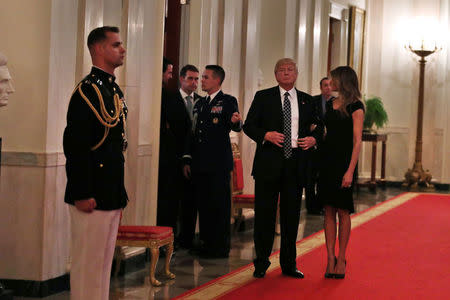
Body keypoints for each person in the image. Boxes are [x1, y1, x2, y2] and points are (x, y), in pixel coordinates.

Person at [63, 26, 128, 300]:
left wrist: (118, 194)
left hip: (110, 191)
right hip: (91, 193)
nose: (122, 49)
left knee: (102, 265)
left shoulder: (111, 90)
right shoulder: (86, 92)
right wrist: (82, 192)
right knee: (87, 265)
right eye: (116, 45)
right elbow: (75, 147)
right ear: (99, 49)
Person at [243, 58, 323, 278]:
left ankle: (289, 264)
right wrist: (265, 135)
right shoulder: (263, 97)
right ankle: (261, 263)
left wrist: (314, 139)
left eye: (290, 70)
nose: (286, 73)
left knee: (291, 217)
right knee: (264, 217)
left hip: (295, 165)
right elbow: (248, 125)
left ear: (296, 74)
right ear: (275, 74)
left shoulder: (307, 100)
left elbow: (320, 126)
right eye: (281, 70)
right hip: (268, 165)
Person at [183, 65, 242, 258]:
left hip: (217, 163)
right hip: (200, 163)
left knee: (219, 205)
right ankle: (206, 242)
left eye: (206, 77)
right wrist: (188, 158)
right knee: (204, 204)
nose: (202, 81)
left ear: (217, 80)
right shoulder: (200, 104)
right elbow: (193, 133)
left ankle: (220, 246)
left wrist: (235, 122)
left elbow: (235, 124)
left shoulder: (227, 101)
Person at [319, 66, 364, 279]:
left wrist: (350, 171)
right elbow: (326, 132)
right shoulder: (329, 103)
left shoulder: (356, 105)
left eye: (333, 78)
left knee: (343, 211)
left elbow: (357, 142)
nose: (330, 81)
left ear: (343, 80)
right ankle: (329, 257)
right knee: (328, 210)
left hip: (345, 163)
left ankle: (342, 257)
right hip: (327, 161)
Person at [157, 57, 183, 249]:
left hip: (165, 157)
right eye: (169, 72)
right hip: (167, 158)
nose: (170, 76)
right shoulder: (168, 97)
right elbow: (181, 126)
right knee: (167, 204)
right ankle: (167, 242)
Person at [176, 65, 201, 249]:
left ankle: (188, 237)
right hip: (173, 158)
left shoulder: (202, 101)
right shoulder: (171, 99)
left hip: (196, 159)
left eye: (197, 79)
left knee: (192, 201)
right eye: (190, 78)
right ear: (181, 79)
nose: (194, 83)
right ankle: (173, 239)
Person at [305, 77, 333, 215]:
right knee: (310, 178)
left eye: (330, 85)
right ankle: (311, 207)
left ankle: (322, 205)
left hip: (329, 148)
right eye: (325, 85)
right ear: (321, 87)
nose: (328, 87)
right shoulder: (313, 101)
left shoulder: (336, 103)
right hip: (314, 146)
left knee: (324, 179)